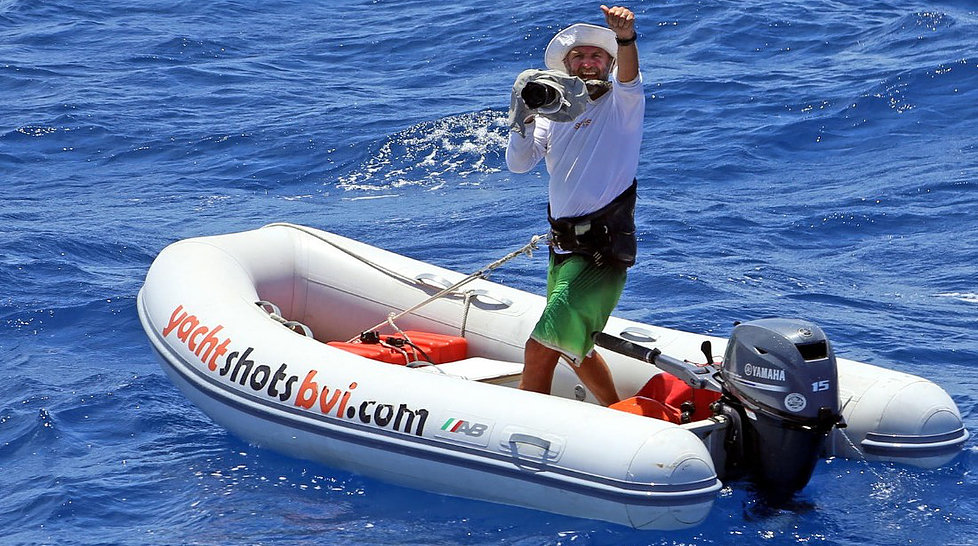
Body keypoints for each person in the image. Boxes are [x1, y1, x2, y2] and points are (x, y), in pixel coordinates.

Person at [506, 5, 644, 406]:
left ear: (608, 63)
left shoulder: (622, 104)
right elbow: (519, 164)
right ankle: (618, 411)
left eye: (596, 56)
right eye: (579, 57)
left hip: (600, 252)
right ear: (566, 66)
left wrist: (625, 39)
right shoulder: (554, 115)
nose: (587, 62)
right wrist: (525, 119)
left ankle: (527, 424)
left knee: (540, 347)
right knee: (574, 348)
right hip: (562, 250)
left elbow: (630, 76)